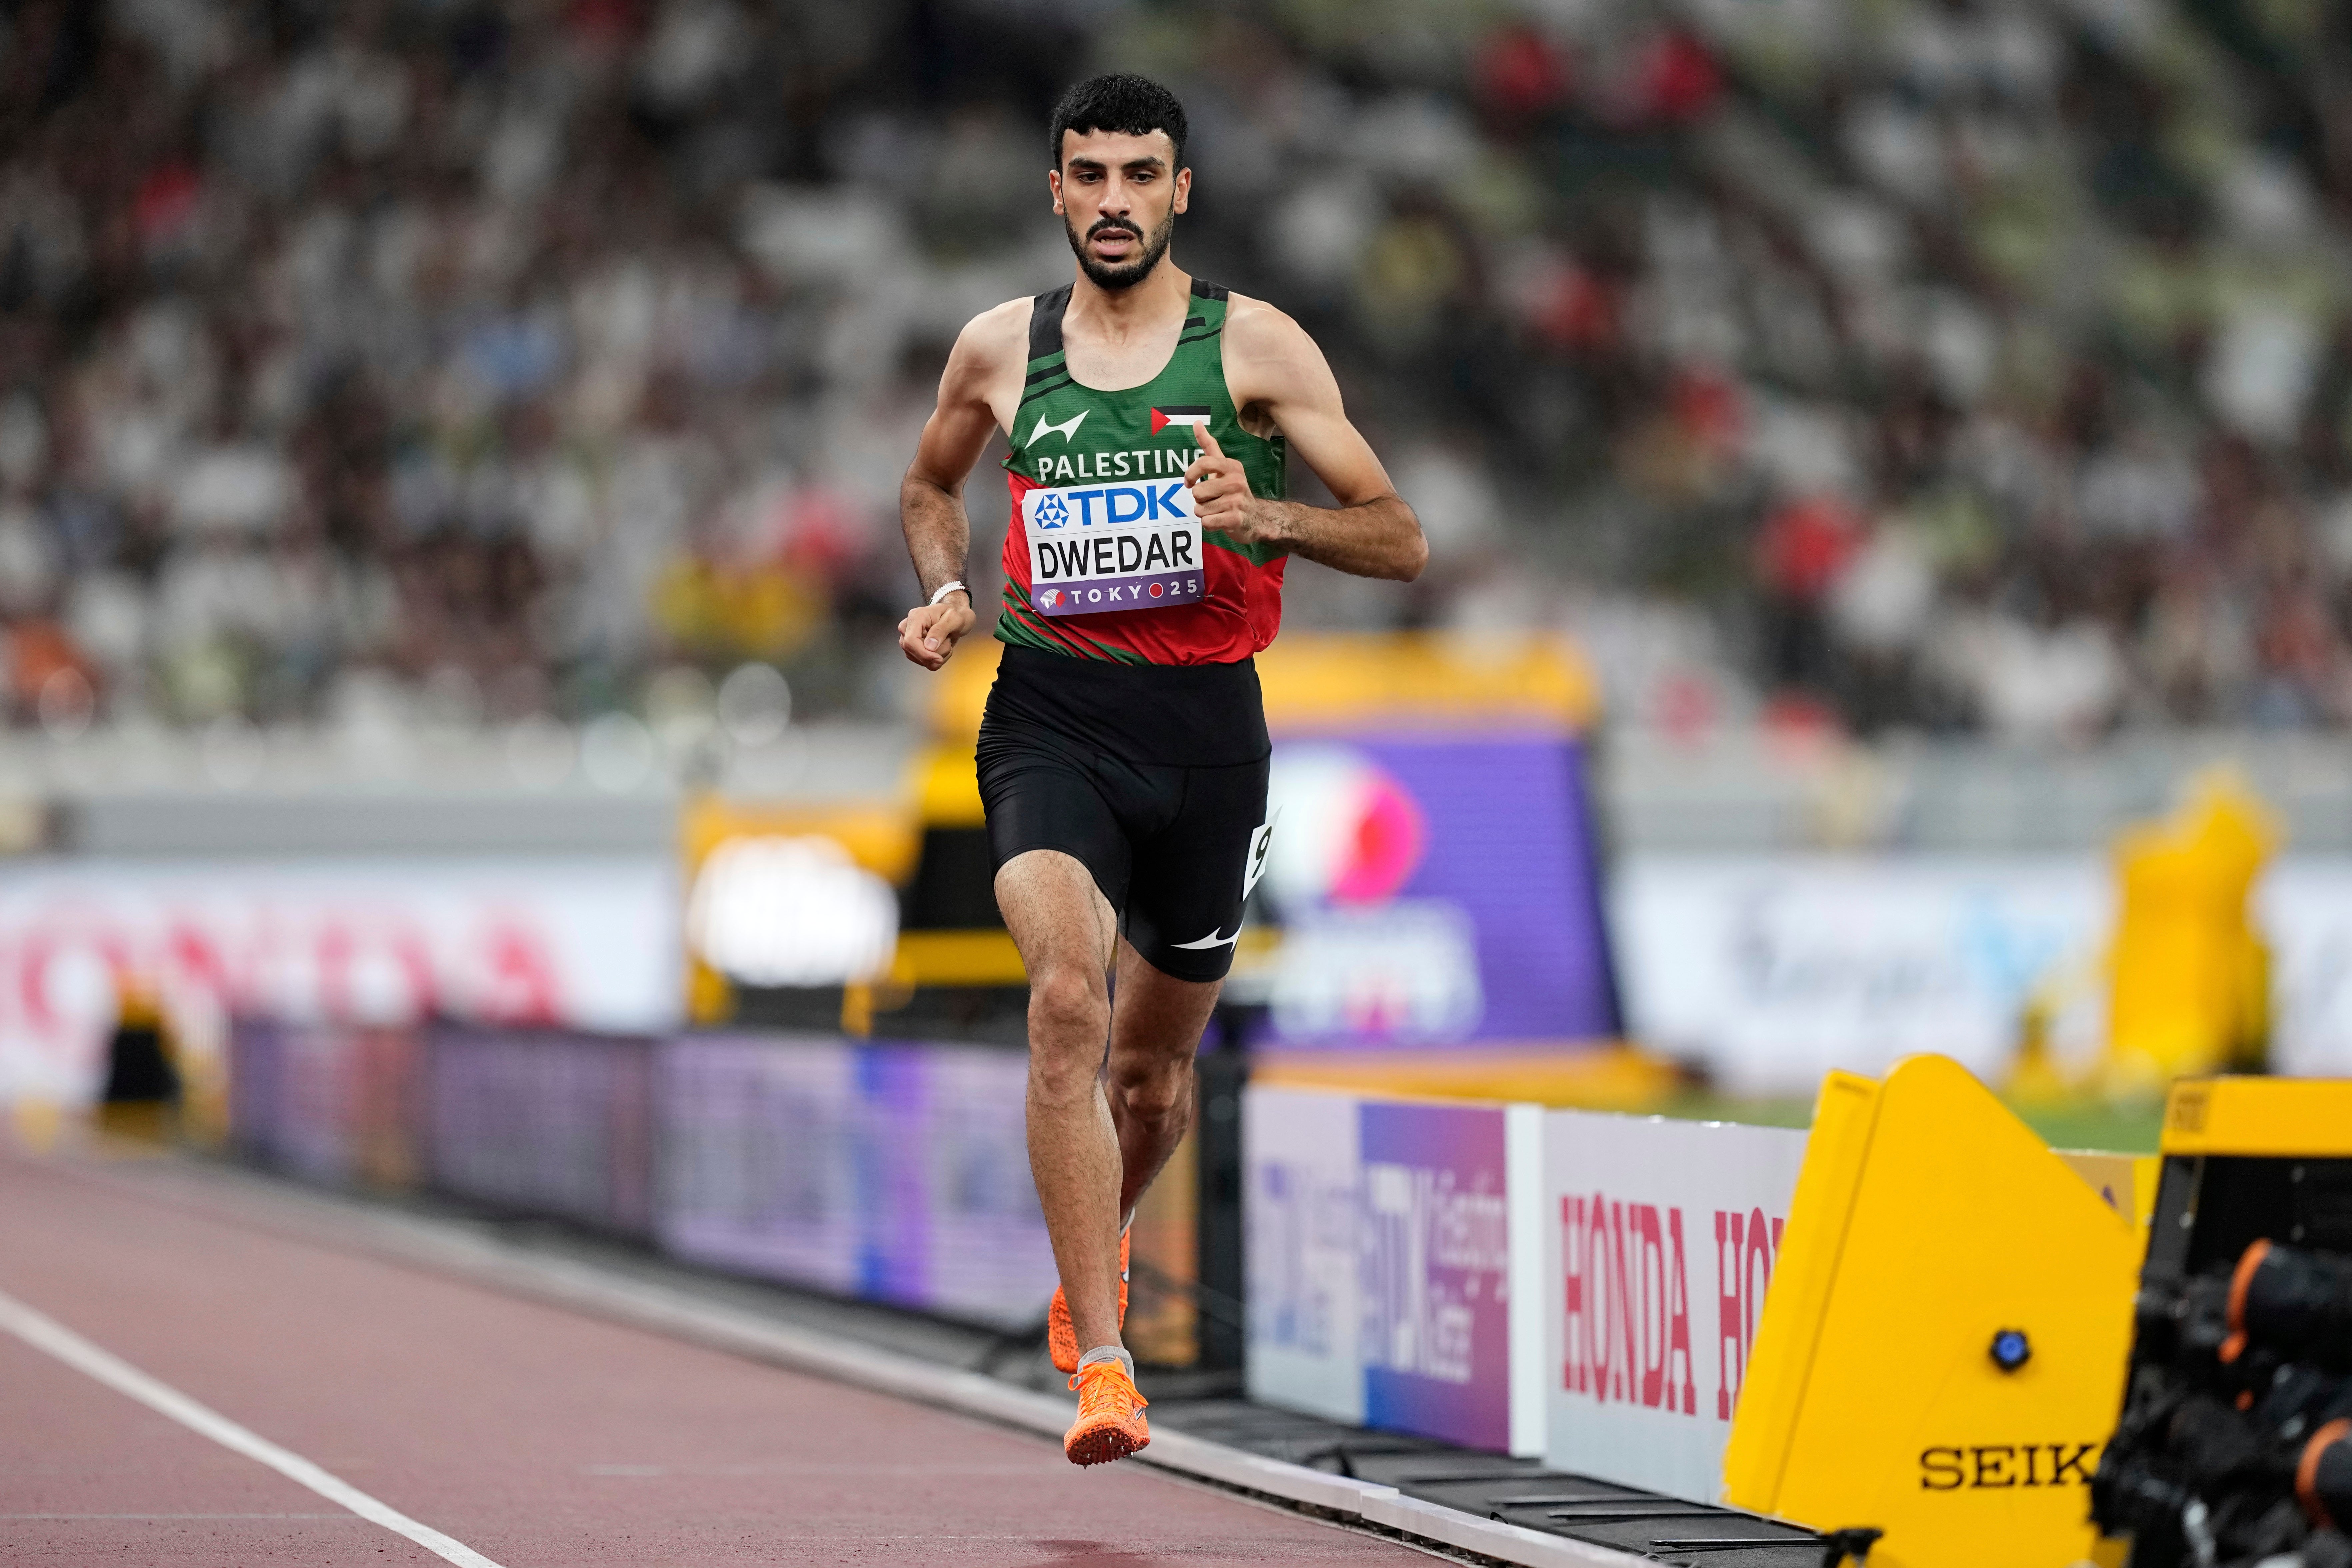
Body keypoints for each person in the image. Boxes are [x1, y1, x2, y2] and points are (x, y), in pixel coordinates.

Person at [895, 73, 1427, 1467]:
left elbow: (1402, 536)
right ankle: (1106, 1361)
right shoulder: (1001, 350)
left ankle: (1103, 1247)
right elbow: (931, 483)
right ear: (1055, 190)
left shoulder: (1257, 349)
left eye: (1143, 174)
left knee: (1150, 1082)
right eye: (1091, 174)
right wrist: (947, 586)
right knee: (1068, 998)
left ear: (1181, 190)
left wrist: (1270, 513)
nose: (1116, 200)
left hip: (1210, 740)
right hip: (1050, 718)